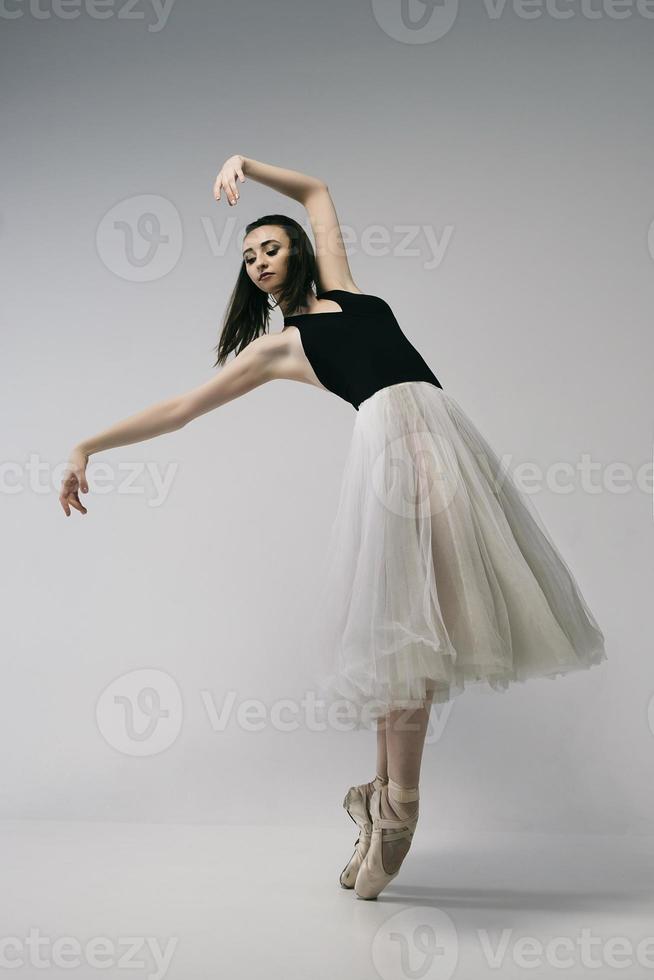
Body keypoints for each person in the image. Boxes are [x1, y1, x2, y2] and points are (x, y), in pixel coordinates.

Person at [59, 154, 607, 901]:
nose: (258, 262)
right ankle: (396, 810)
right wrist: (89, 443)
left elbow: (316, 190)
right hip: (392, 466)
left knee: (437, 625)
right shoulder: (278, 347)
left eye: (270, 247)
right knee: (406, 637)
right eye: (248, 256)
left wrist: (244, 164)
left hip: (450, 451)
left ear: (301, 252)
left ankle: (383, 802)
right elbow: (182, 409)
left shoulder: (348, 289)